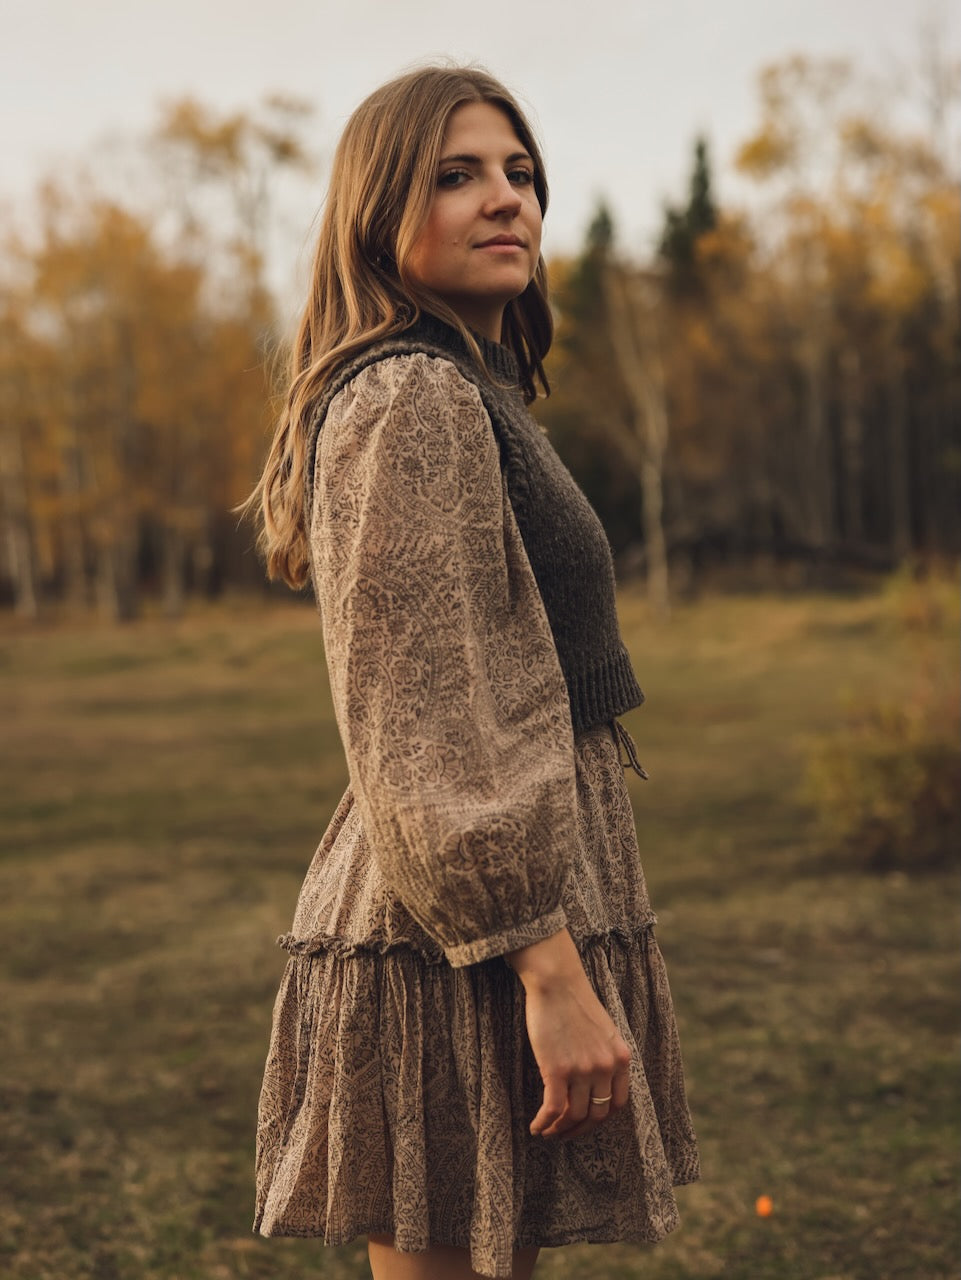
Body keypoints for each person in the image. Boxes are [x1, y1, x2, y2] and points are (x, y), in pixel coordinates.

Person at [244, 64, 699, 1280]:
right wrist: (545, 968)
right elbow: (422, 708)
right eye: (456, 176)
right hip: (473, 925)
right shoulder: (410, 394)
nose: (506, 199)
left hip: (500, 905)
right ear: (375, 211)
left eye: (519, 172)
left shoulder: (467, 388)